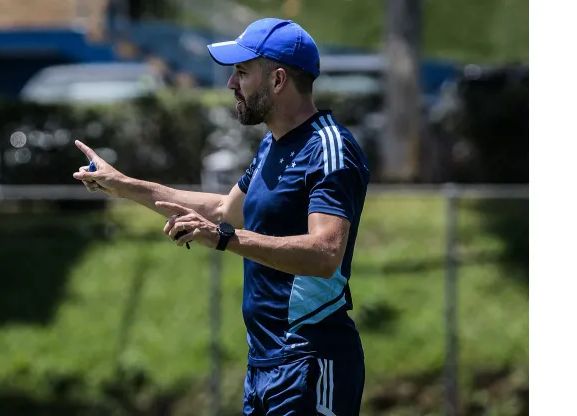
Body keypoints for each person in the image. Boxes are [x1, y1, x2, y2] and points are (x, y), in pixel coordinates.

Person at [73, 17, 370, 416]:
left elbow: (324, 252)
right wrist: (122, 184)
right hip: (265, 367)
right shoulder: (272, 145)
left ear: (278, 80)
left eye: (243, 73)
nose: (232, 84)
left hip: (311, 362)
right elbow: (224, 210)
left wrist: (224, 238)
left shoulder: (329, 148)